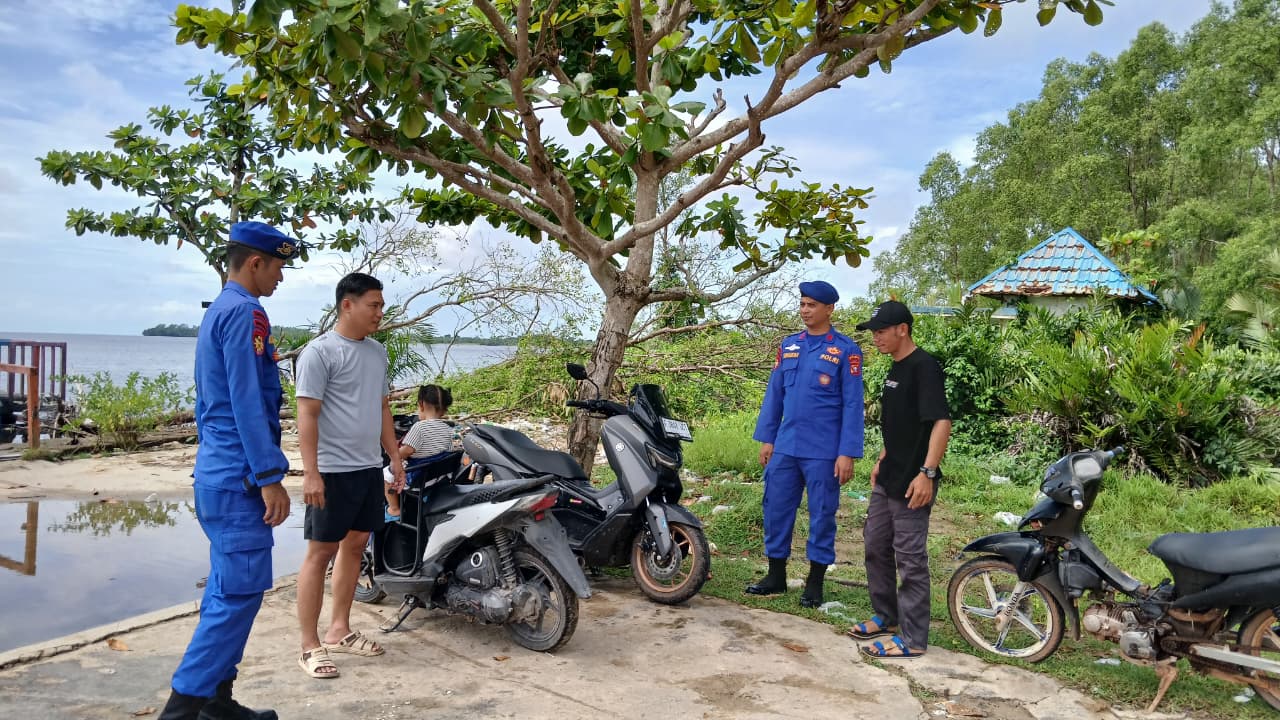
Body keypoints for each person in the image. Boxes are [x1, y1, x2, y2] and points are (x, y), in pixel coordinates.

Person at [159, 221, 298, 720]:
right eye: (279, 266)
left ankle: (217, 706)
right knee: (235, 599)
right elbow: (244, 400)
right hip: (239, 480)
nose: (281, 277)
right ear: (255, 263)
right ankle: (180, 714)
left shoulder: (219, 311)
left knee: (227, 590)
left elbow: (208, 403)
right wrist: (269, 476)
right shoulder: (245, 313)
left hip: (217, 473)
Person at [294, 272, 405, 679]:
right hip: (331, 471)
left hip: (366, 468)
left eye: (380, 305)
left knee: (356, 547)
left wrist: (394, 458)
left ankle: (339, 629)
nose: (379, 312)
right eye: (373, 305)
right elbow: (307, 414)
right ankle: (309, 645)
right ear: (347, 305)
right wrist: (311, 474)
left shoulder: (376, 353)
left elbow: (382, 409)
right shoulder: (319, 353)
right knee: (320, 552)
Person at [747, 280, 864, 608]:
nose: (805, 310)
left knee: (822, 514)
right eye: (802, 304)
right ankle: (776, 576)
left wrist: (847, 453)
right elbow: (775, 395)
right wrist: (767, 438)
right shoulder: (789, 346)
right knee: (776, 508)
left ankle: (815, 582)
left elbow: (854, 405)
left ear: (829, 309)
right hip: (786, 445)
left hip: (825, 451)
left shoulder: (846, 350)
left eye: (811, 305)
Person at [847, 300, 952, 660]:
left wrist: (928, 473)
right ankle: (886, 616)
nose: (875, 338)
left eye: (880, 331)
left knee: (909, 560)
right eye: (873, 332)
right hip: (889, 475)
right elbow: (899, 425)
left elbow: (941, 422)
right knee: (875, 545)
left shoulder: (924, 367)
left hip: (913, 481)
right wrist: (882, 456)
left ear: (902, 329)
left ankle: (913, 637)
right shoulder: (894, 370)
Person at [384, 384, 457, 519]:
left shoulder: (419, 427)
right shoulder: (448, 429)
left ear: (421, 405)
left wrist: (394, 451)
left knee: (385, 474)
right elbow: (448, 451)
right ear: (444, 410)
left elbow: (407, 451)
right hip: (438, 478)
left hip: (417, 479)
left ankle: (394, 509)